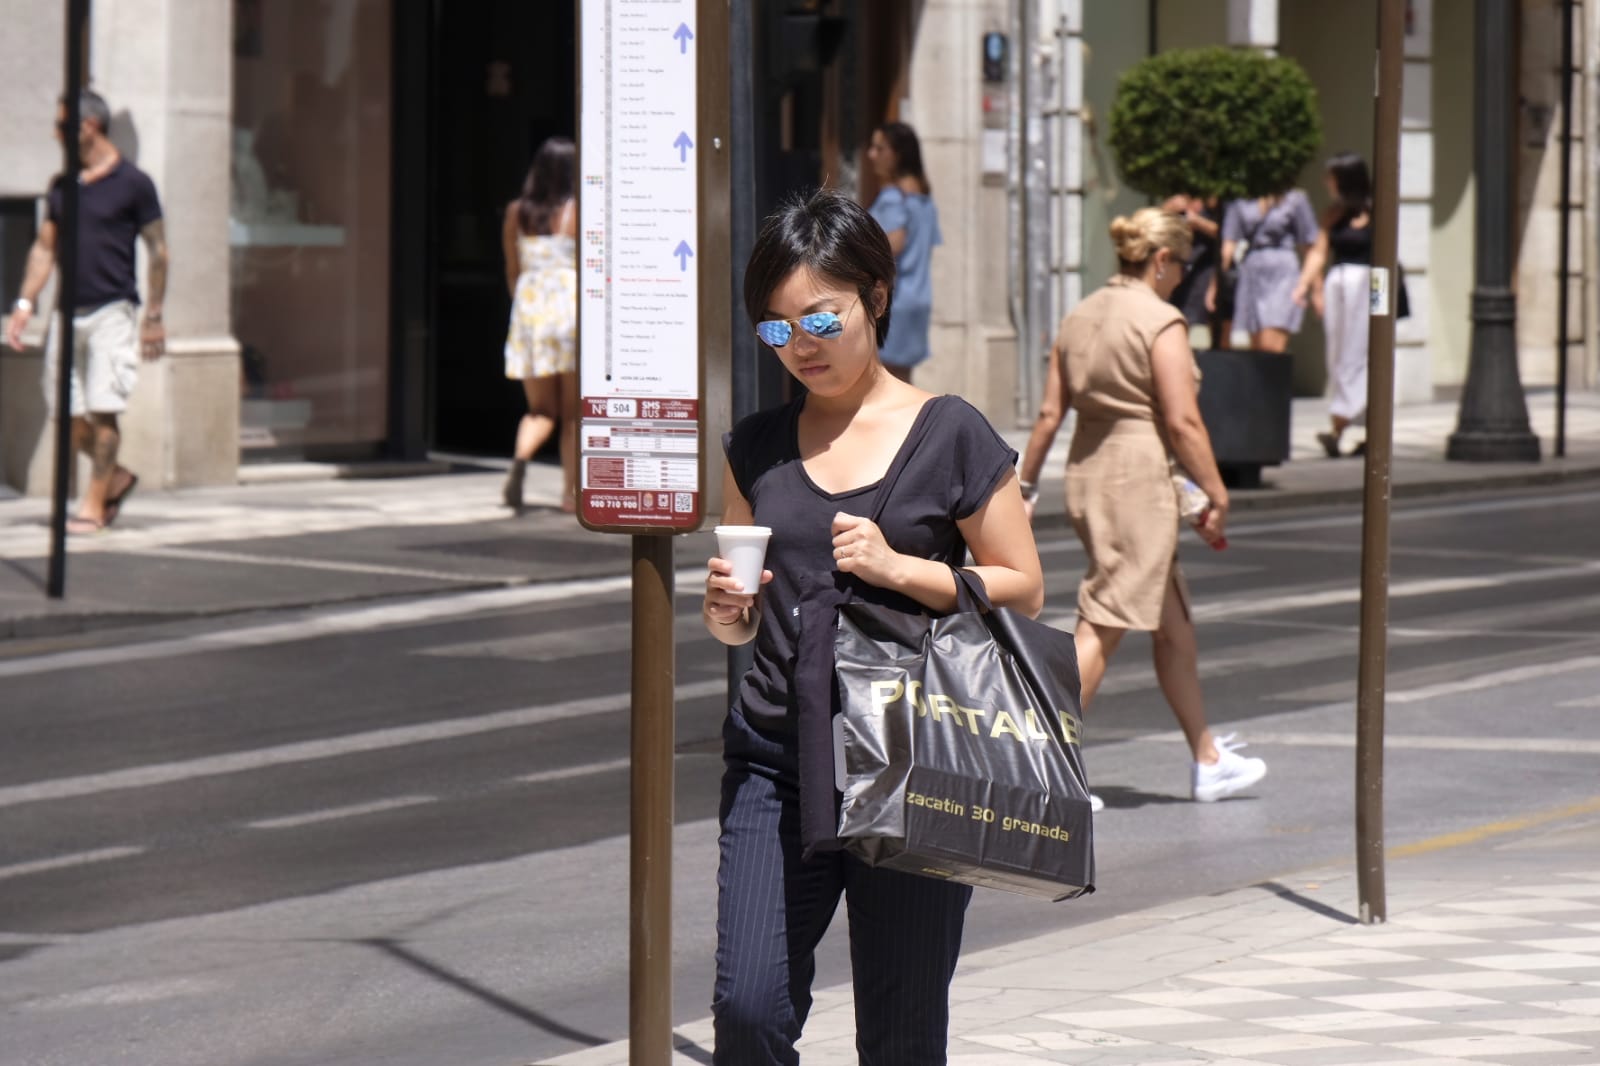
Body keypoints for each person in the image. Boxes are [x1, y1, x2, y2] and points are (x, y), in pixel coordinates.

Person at [703, 188, 1043, 1064]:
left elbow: (1024, 589)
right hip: (776, 761)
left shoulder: (950, 433)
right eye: (776, 331)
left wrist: (902, 569)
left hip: (914, 763)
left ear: (877, 297)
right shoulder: (757, 445)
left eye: (820, 319)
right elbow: (744, 626)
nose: (799, 348)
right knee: (748, 1008)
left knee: (899, 1035)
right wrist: (727, 616)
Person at [1017, 207, 1266, 810]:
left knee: (1171, 619)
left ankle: (1207, 758)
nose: (1182, 276)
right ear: (1160, 261)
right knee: (1105, 619)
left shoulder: (1079, 316)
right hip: (1137, 480)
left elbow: (1050, 414)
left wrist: (1022, 487)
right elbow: (1182, 420)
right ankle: (1042, 765)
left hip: (1089, 472)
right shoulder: (1162, 321)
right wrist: (1217, 490)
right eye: (1180, 265)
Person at [5, 89, 166, 534]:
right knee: (66, 416)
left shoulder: (133, 183)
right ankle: (114, 477)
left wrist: (153, 318)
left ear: (88, 126)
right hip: (65, 315)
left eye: (61, 126)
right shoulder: (63, 186)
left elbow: (158, 251)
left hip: (112, 310)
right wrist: (24, 304)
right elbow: (44, 248)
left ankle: (93, 506)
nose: (55, 134)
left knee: (104, 408)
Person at [500, 137, 577, 512]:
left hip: (530, 314)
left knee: (540, 410)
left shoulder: (517, 212)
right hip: (570, 313)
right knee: (573, 412)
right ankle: (569, 493)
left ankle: (520, 459)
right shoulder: (577, 211)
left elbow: (512, 272)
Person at [1294, 153, 1373, 458]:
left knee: (1362, 356)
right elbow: (1318, 252)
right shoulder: (1334, 214)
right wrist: (1304, 286)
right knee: (1338, 356)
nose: (1327, 183)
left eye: (1332, 177)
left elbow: (1386, 262)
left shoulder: (1377, 212)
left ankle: (1359, 428)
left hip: (1367, 289)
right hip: (1339, 288)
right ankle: (1340, 425)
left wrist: (1381, 306)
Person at [864, 121, 941, 383]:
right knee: (903, 384)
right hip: (918, 300)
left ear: (896, 154)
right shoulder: (924, 199)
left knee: (883, 384)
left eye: (879, 148)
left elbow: (891, 245)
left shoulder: (894, 199)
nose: (871, 154)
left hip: (893, 304)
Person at [1217, 186, 1318, 352]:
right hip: (1252, 270)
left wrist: (1314, 287)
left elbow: (1310, 246)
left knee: (1271, 345)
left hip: (1283, 272)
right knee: (1257, 349)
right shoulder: (1241, 199)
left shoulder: (1294, 198)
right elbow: (1229, 244)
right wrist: (1216, 284)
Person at [1165, 193, 1230, 350]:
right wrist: (1168, 210)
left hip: (1210, 271)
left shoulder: (1225, 204)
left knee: (1217, 331)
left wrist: (1197, 221)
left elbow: (1229, 235)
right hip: (1185, 271)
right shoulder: (1181, 199)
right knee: (1179, 321)